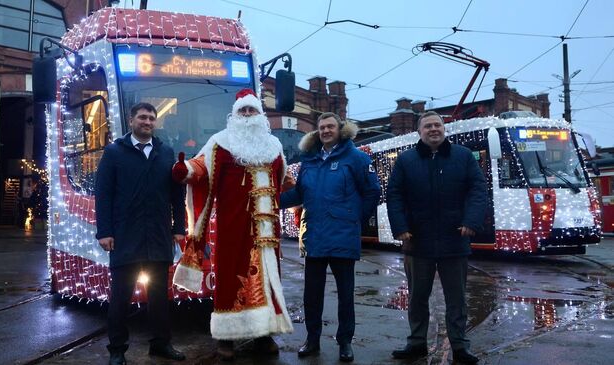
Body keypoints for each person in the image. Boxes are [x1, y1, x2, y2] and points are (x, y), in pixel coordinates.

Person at [171, 89, 293, 361]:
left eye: (252, 110)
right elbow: (201, 167)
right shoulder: (221, 142)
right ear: (235, 115)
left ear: (260, 115)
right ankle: (226, 338)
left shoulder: (273, 146)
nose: (248, 115)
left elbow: (282, 178)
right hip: (233, 230)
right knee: (229, 280)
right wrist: (185, 170)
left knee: (268, 282)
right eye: (243, 111)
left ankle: (263, 334)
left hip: (267, 234)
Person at [386, 111, 487, 364]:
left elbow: (477, 189)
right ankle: (417, 343)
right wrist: (400, 227)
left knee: (457, 299)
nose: (433, 129)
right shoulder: (405, 160)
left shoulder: (462, 156)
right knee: (418, 297)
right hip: (417, 241)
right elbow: (395, 195)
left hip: (455, 239)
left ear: (444, 129)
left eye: (437, 125)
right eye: (428, 126)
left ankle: (460, 346)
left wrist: (471, 221)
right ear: (419, 132)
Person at [280, 112, 381, 362]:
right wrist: (269, 200)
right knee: (311, 294)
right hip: (315, 236)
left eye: (330, 127)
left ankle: (345, 341)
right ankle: (312, 340)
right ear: (317, 131)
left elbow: (372, 191)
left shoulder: (356, 158)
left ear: (340, 129)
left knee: (346, 294)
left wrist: (354, 218)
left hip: (343, 236)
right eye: (322, 127)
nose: (326, 131)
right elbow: (299, 194)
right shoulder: (310, 161)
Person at [95, 102, 187, 365]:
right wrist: (105, 231)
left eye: (151, 118)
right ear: (131, 120)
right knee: (120, 298)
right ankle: (117, 350)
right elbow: (104, 195)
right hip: (125, 236)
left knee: (159, 297)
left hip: (158, 236)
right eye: (142, 117)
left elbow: (177, 196)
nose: (147, 122)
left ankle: (160, 343)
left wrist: (179, 228)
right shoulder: (114, 153)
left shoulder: (165, 152)